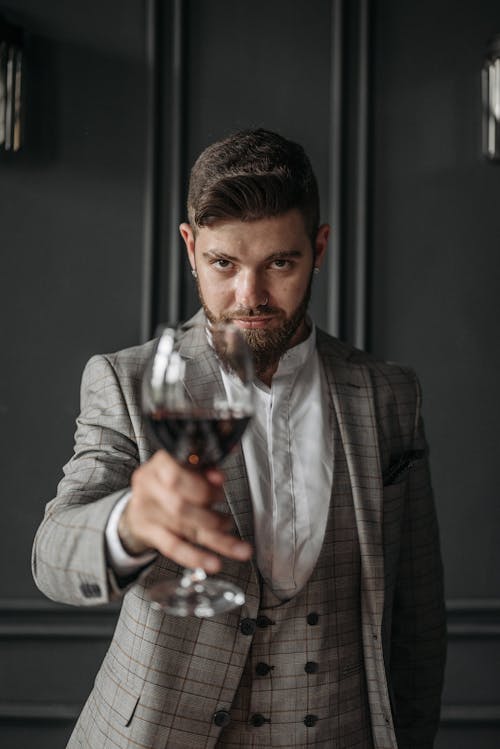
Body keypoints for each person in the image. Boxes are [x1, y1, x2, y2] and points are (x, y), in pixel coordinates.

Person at [32, 128, 446, 749]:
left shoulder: (389, 395)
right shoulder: (127, 381)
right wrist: (130, 524)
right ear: (191, 247)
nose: (249, 297)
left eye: (280, 262)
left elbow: (417, 611)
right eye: (224, 263)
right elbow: (52, 557)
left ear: (319, 248)